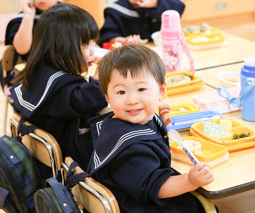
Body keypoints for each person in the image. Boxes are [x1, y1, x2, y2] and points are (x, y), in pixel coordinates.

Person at [88, 45, 215, 213]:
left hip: (133, 195)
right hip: (138, 206)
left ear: (161, 91)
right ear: (107, 98)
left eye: (141, 89)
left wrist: (159, 123)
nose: (132, 100)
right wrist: (190, 181)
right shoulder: (132, 150)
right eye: (121, 92)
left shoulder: (119, 122)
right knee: (199, 206)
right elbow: (157, 186)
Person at [9, 3, 108, 171]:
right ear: (61, 47)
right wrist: (99, 79)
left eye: (93, 43)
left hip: (46, 163)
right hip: (74, 165)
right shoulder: (62, 87)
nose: (93, 51)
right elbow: (91, 101)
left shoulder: (39, 70)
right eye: (86, 45)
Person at [0, 0, 68, 88]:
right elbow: (22, 49)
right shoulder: (23, 18)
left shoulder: (67, 16)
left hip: (61, 76)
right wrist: (28, 17)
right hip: (28, 81)